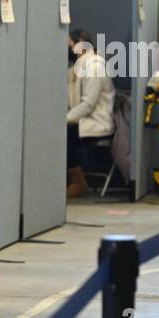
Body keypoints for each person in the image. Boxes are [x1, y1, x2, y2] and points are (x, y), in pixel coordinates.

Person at [66, 28, 115, 197]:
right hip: (84, 120)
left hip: (97, 123)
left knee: (64, 133)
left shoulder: (94, 67)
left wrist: (63, 119)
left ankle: (78, 182)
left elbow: (88, 104)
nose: (68, 49)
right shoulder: (78, 68)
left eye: (70, 44)